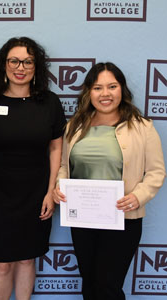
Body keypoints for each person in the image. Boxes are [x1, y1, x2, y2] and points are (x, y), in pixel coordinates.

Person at [53, 62, 166, 300]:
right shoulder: (74, 126)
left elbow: (156, 172)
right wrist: (59, 187)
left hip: (123, 219)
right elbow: (64, 166)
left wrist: (138, 196)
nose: (105, 94)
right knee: (90, 283)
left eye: (112, 86)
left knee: (108, 287)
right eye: (97, 88)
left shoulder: (142, 127)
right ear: (88, 93)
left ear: (122, 89)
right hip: (83, 219)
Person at [0, 37, 66, 300]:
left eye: (28, 61)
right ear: (3, 65)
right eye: (14, 60)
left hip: (36, 192)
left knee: (27, 260)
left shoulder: (49, 102)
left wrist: (51, 191)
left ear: (36, 67)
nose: (21, 67)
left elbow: (55, 150)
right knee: (2, 264)